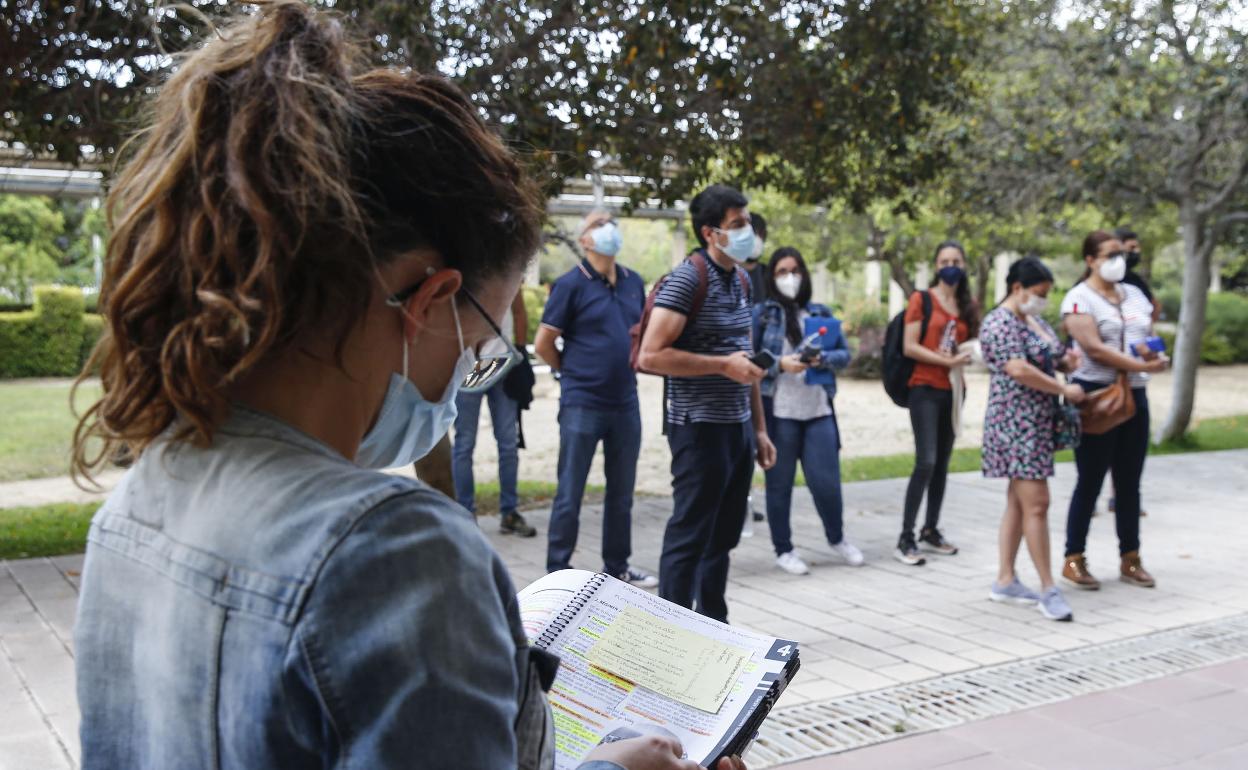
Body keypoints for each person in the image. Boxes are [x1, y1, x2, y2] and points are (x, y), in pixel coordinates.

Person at [69, 5, 740, 769]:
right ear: (427, 300)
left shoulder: (140, 502)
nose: (467, 375)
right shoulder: (397, 555)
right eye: (480, 347)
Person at [638, 184, 777, 623]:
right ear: (710, 233)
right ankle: (672, 630)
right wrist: (721, 366)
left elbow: (745, 358)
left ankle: (714, 623)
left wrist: (758, 429)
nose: (746, 232)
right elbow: (650, 355)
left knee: (724, 534)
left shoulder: (740, 279)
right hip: (697, 426)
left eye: (747, 223)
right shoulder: (686, 278)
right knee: (690, 535)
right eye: (736, 225)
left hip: (736, 427)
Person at [536, 208, 656, 587]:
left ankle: (617, 566)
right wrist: (569, 372)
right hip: (582, 403)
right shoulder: (570, 284)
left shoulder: (634, 282)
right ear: (584, 239)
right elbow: (543, 344)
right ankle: (557, 570)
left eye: (611, 223)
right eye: (599, 225)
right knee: (570, 490)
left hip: (626, 403)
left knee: (621, 493)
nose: (609, 230)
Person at [1060, 231, 1167, 591]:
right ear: (1090, 259)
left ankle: (1131, 557)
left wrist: (1154, 355)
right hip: (1097, 396)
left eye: (1120, 253)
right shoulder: (1078, 299)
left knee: (1129, 482)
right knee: (1089, 480)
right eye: (1109, 254)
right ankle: (1074, 557)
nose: (1118, 260)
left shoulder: (1134, 294)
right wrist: (1141, 365)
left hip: (1134, 395)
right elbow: (1094, 349)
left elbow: (1143, 337)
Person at [980, 257, 1085, 622]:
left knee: (1019, 500)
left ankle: (1005, 580)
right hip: (1014, 424)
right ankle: (1047, 588)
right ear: (1017, 288)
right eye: (1038, 293)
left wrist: (1067, 362)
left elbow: (1051, 356)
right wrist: (1062, 388)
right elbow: (1018, 368)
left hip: (1036, 424)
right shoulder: (998, 322)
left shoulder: (1034, 321)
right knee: (1037, 502)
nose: (1042, 300)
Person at [752, 247, 862, 575]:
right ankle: (783, 549)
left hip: (817, 409)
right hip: (780, 412)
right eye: (782, 272)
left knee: (826, 482)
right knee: (779, 484)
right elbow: (751, 360)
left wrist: (823, 359)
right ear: (772, 278)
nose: (790, 278)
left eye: (795, 271)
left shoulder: (820, 313)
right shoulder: (763, 314)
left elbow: (845, 354)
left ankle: (837, 537)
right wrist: (779, 364)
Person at [895, 240, 979, 566]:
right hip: (924, 389)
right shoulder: (922, 300)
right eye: (944, 260)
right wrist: (944, 361)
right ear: (935, 266)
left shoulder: (966, 304)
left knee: (943, 462)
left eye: (956, 259)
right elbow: (909, 346)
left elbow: (968, 343)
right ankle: (906, 537)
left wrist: (963, 357)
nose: (950, 265)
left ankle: (931, 528)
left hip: (954, 390)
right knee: (926, 461)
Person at [451, 288, 538, 536]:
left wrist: (519, 350)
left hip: (504, 366)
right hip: (470, 368)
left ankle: (509, 512)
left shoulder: (508, 265)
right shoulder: (464, 271)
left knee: (508, 444)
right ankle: (465, 514)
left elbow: (519, 311)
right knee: (464, 444)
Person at [743, 212, 769, 304]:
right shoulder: (726, 274)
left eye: (761, 234)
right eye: (752, 234)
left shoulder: (769, 275)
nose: (756, 239)